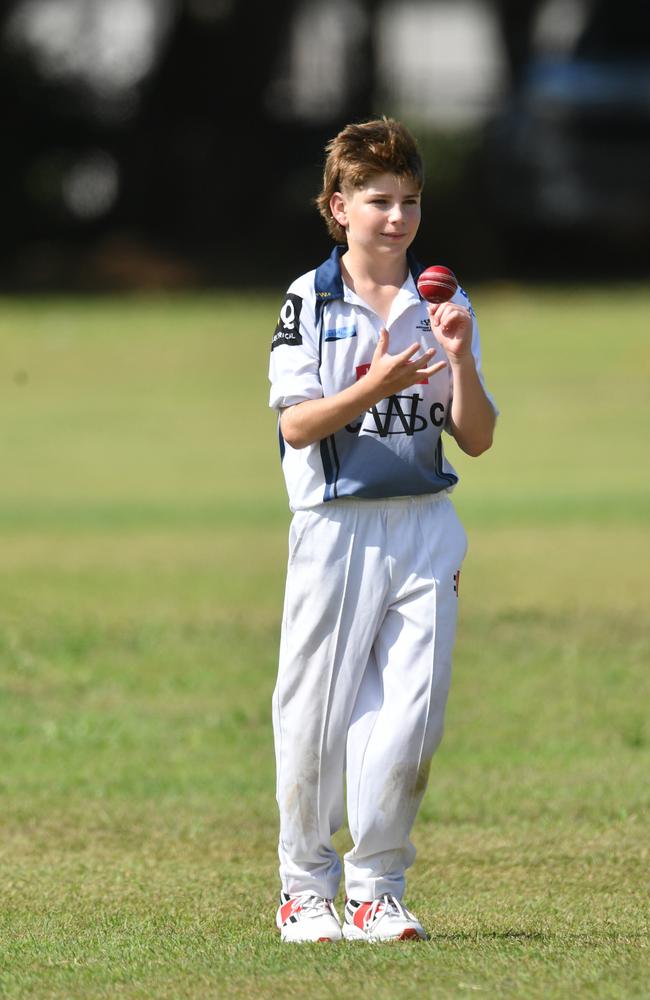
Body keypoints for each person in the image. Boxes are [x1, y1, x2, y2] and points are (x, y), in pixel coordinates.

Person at [268, 117, 497, 943]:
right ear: (339, 207)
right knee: (317, 714)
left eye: (409, 201)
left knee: (414, 714)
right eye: (377, 201)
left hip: (426, 524)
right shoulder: (311, 298)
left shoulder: (444, 299)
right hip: (336, 528)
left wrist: (460, 359)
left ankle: (377, 889)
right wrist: (379, 382)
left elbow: (475, 436)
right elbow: (299, 427)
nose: (396, 218)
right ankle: (304, 891)